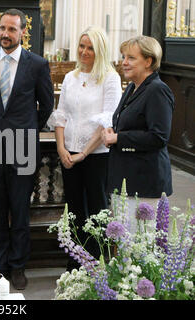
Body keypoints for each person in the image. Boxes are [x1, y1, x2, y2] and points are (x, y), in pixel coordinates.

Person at [0, 8, 54, 290]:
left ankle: (18, 266)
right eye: (2, 29)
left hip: (23, 145)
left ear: (22, 32)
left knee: (19, 208)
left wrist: (28, 128)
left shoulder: (38, 64)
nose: (5, 34)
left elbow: (47, 105)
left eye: (11, 29)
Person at [51, 26, 122, 270]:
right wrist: (62, 148)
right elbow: (61, 115)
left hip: (96, 156)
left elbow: (108, 120)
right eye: (82, 46)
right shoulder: (71, 77)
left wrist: (83, 153)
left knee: (96, 209)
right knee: (73, 210)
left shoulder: (110, 78)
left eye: (90, 47)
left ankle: (97, 262)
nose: (84, 51)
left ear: (100, 50)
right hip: (69, 154)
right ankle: (75, 262)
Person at [102, 35, 174, 231]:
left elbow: (158, 137)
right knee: (125, 246)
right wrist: (113, 131)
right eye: (124, 57)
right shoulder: (134, 87)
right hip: (125, 178)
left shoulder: (157, 90)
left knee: (141, 245)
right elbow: (130, 124)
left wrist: (119, 138)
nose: (124, 62)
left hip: (144, 183)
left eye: (131, 58)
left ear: (148, 61)